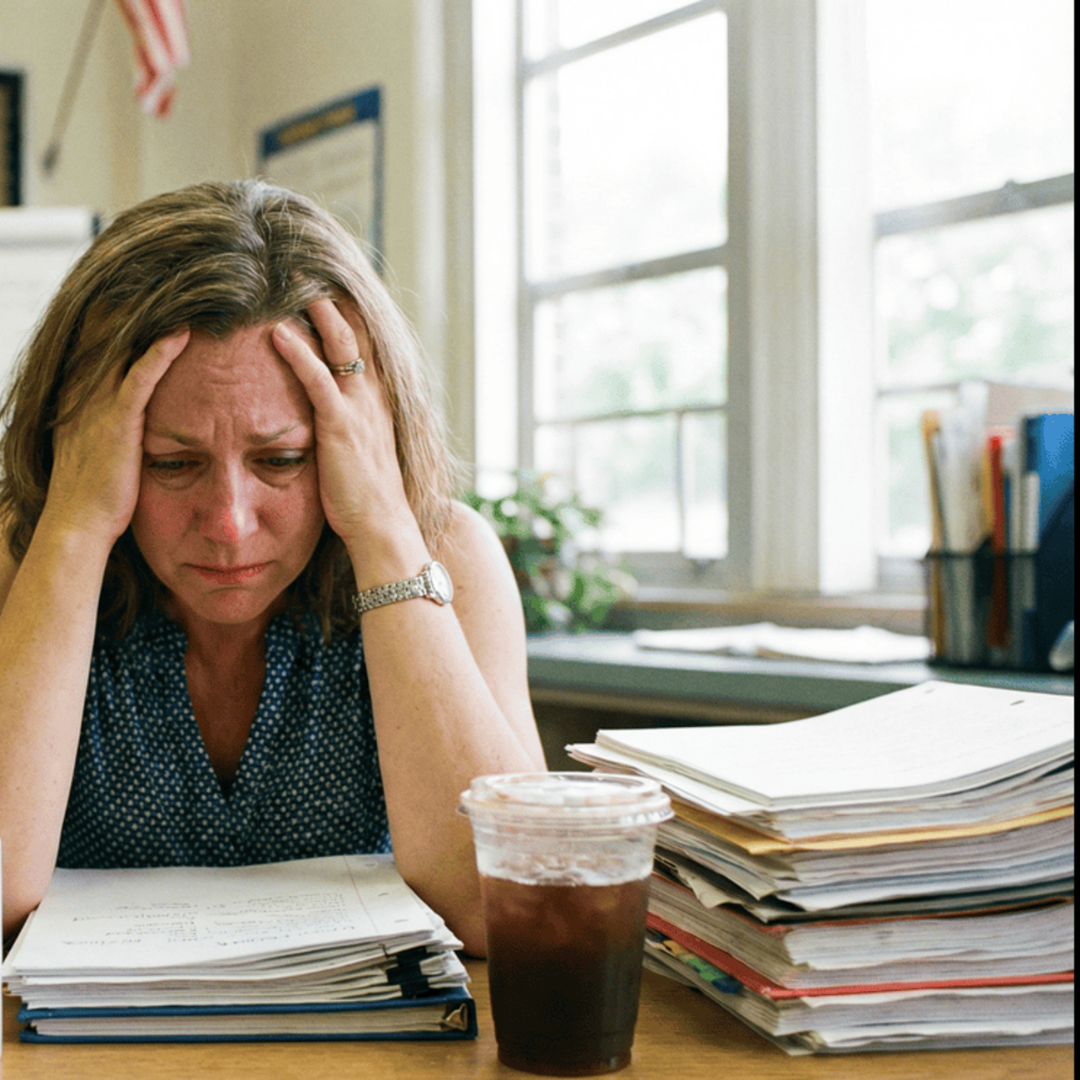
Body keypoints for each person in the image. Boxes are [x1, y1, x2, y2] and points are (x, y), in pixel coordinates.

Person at [0, 179, 545, 955]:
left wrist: (384, 529)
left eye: (282, 458)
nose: (229, 523)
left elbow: (508, 905)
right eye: (171, 463)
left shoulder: (449, 558)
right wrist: (77, 527)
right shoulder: (21, 558)